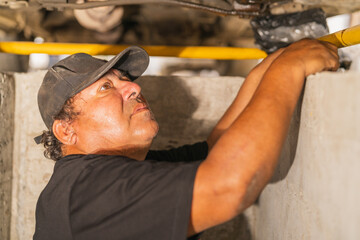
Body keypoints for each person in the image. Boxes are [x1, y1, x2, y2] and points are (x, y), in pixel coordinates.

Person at [33, 39, 339, 240]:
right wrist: (289, 69)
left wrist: (270, 66)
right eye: (106, 88)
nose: (133, 88)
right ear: (66, 131)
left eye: (125, 80)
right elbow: (231, 184)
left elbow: (217, 149)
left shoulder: (106, 172)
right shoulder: (88, 190)